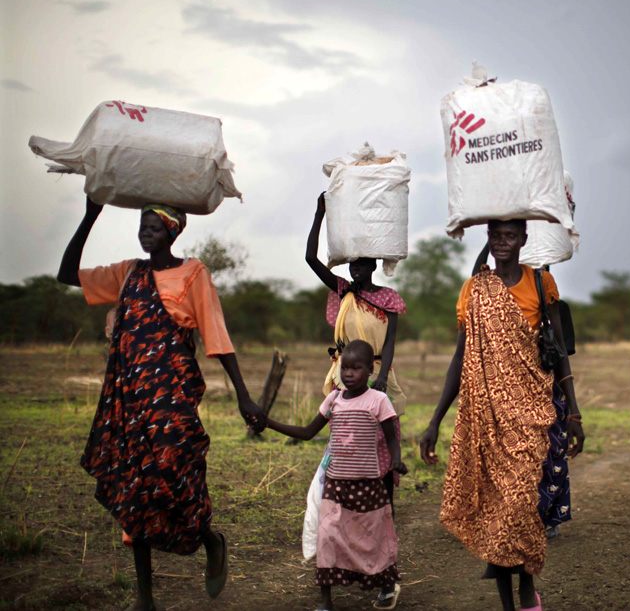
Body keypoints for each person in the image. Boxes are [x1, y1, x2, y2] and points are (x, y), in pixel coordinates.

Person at [57, 198, 266, 611]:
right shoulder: (126, 273)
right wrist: (90, 214)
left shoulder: (194, 274)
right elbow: (67, 275)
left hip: (172, 400)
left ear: (173, 230)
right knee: (135, 488)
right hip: (130, 402)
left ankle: (210, 539)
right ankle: (145, 598)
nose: (145, 231)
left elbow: (217, 337)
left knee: (176, 477)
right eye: (142, 224)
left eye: (154, 226)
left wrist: (244, 395)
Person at [419, 219, 585, 611]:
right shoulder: (474, 290)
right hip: (487, 418)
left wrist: (574, 412)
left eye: (511, 236)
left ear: (524, 240)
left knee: (520, 502)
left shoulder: (541, 284)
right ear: (488, 239)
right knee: (498, 507)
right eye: (496, 235)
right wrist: (434, 420)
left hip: (531, 413)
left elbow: (559, 349)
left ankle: (526, 585)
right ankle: (509, 603)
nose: (503, 243)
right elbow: (461, 357)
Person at [267, 340, 405, 610]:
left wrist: (397, 461)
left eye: (356, 368)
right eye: (345, 368)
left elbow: (391, 438)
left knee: (374, 541)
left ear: (370, 370)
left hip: (369, 486)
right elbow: (308, 432)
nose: (349, 374)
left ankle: (387, 587)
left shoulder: (379, 400)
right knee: (328, 537)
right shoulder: (333, 399)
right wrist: (269, 423)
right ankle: (325, 603)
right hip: (335, 485)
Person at [306, 193, 407, 513]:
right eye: (353, 263)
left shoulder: (388, 298)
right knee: (347, 440)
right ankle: (346, 499)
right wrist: (319, 213)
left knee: (383, 438)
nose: (357, 269)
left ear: (374, 264)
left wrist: (380, 379)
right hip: (345, 376)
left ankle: (385, 504)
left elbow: (389, 342)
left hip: (378, 376)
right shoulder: (342, 290)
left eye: (363, 264)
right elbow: (311, 259)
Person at [470, 245, 574, 540]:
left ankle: (545, 515)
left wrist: (573, 408)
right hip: (500, 387)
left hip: (541, 385)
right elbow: (476, 275)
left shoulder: (548, 300)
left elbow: (563, 352)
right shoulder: (488, 288)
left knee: (548, 451)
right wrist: (491, 238)